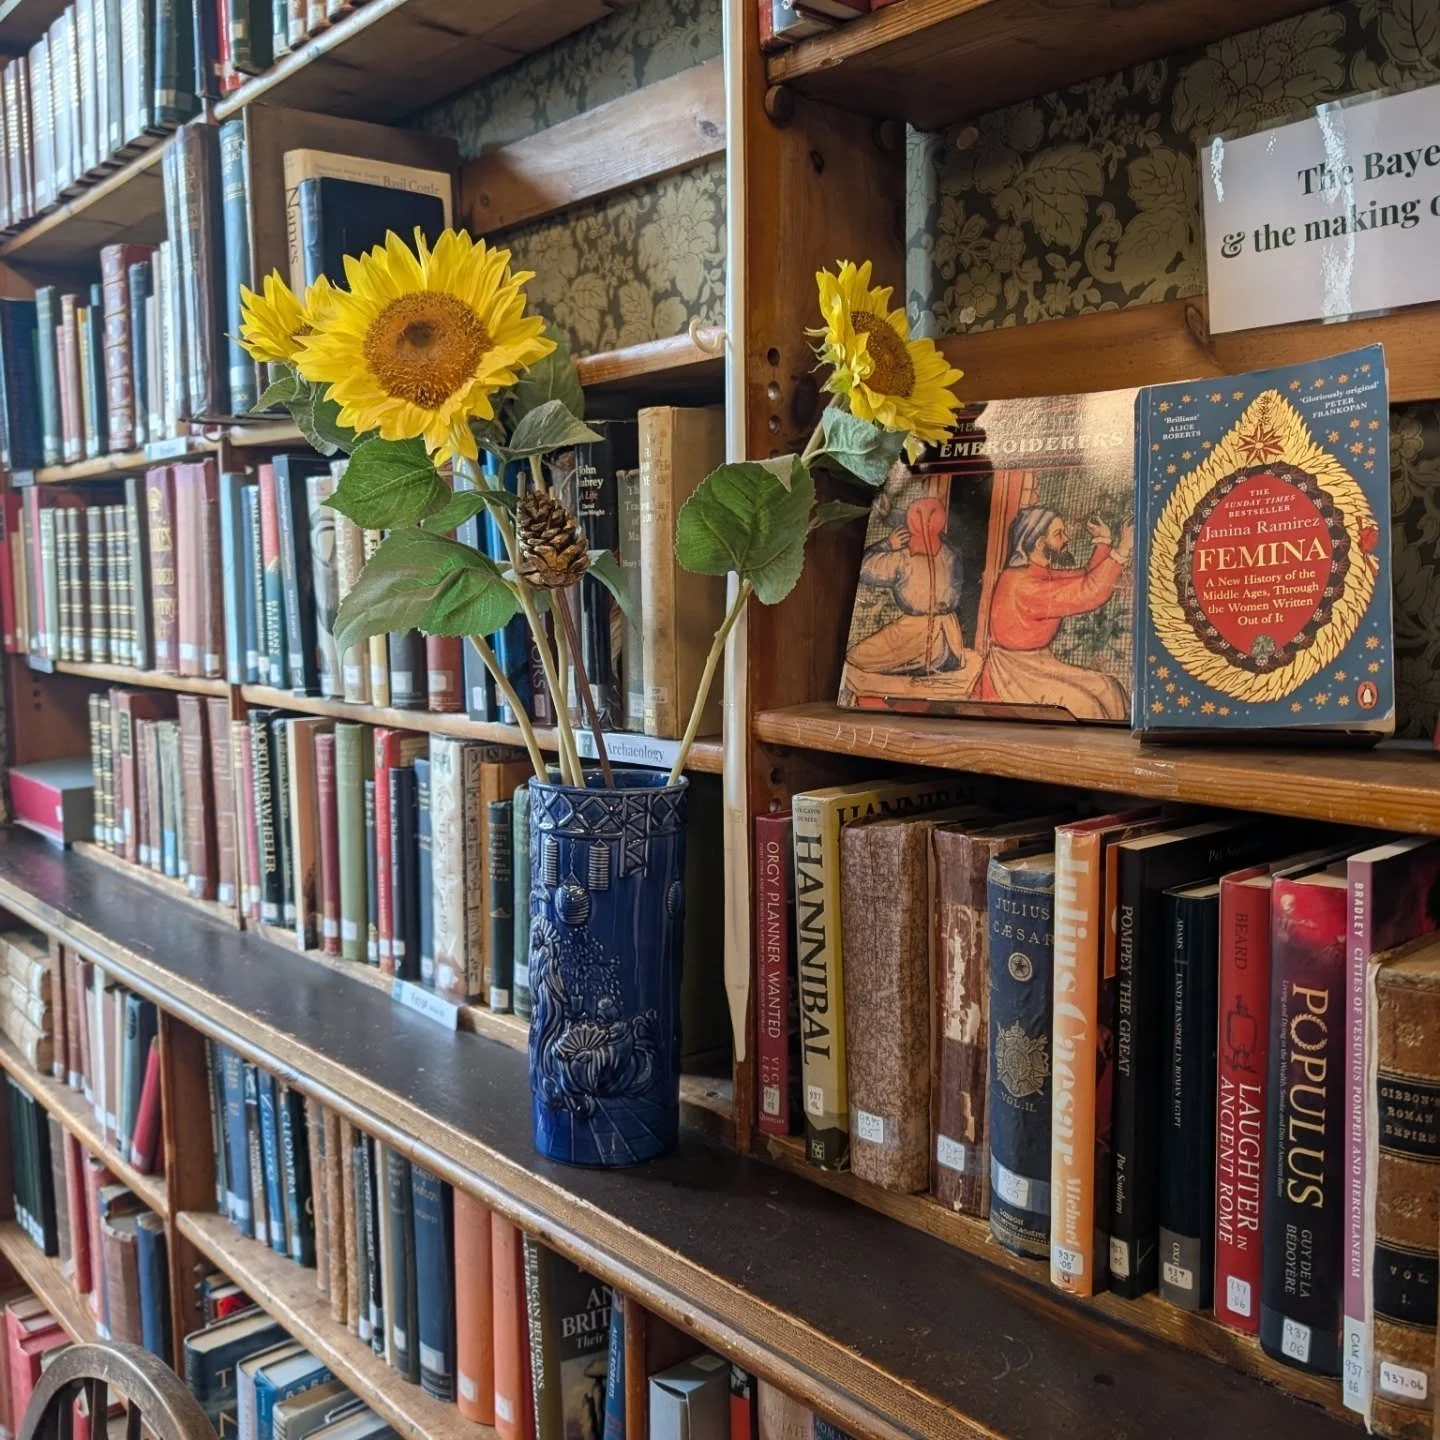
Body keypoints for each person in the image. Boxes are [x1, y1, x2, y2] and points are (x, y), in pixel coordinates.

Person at [975, 505, 1132, 720]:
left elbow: (1083, 576)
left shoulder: (1036, 571)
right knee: (1086, 705)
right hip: (1015, 672)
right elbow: (1088, 591)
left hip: (1038, 664)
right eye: (1058, 534)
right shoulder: (1023, 584)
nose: (1066, 538)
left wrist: (1104, 542)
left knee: (1108, 687)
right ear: (1040, 543)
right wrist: (1122, 550)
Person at [845, 495, 968, 676]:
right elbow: (927, 524)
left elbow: (862, 567)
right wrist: (889, 516)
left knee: (855, 656)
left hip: (915, 636)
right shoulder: (950, 554)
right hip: (949, 641)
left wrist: (888, 543)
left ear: (910, 526)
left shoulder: (902, 559)